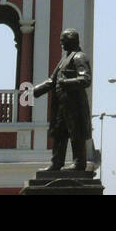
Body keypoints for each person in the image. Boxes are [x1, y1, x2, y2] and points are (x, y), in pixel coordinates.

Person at [34, 28, 93, 171]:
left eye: (63, 41)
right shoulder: (64, 59)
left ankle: (79, 163)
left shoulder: (79, 57)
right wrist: (35, 90)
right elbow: (52, 80)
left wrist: (67, 83)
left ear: (71, 41)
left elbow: (86, 79)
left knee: (76, 133)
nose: (61, 44)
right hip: (61, 104)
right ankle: (57, 163)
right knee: (59, 133)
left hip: (74, 104)